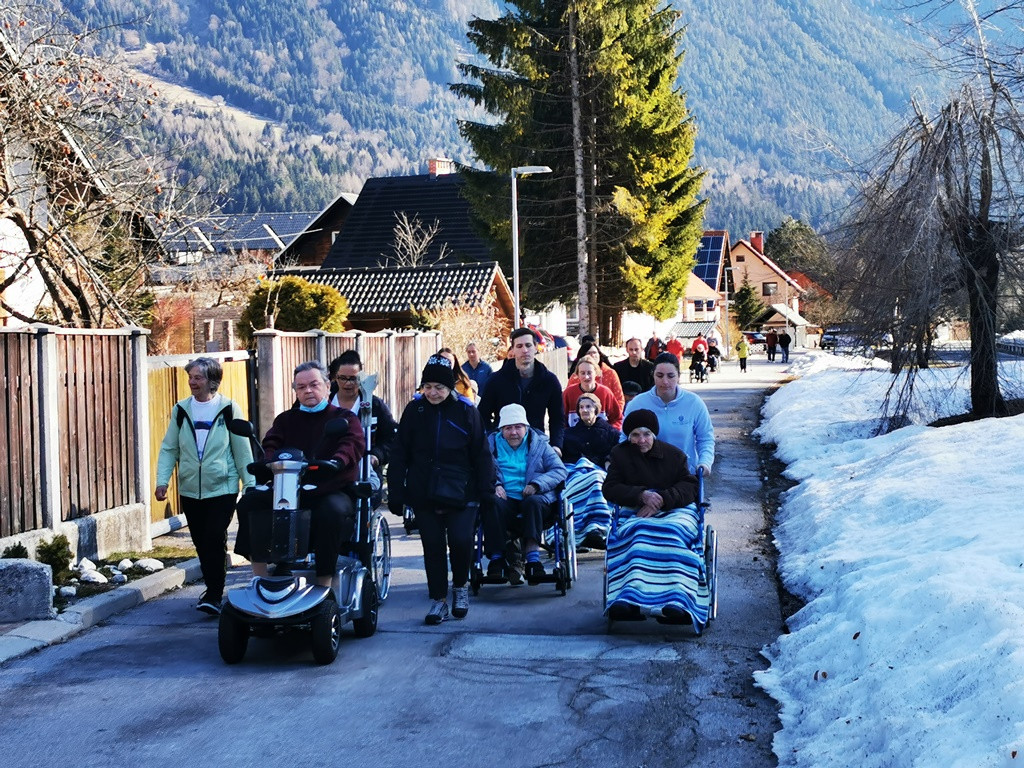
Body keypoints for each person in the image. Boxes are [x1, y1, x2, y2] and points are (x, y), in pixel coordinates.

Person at [235, 361, 365, 589]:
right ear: (295, 391)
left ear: (327, 386)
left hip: (330, 488)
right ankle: (260, 576)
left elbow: (352, 444)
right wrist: (268, 462)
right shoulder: (286, 420)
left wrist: (337, 461)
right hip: (287, 488)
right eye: (301, 387)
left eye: (314, 385)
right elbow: (271, 444)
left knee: (330, 511)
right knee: (250, 503)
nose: (308, 391)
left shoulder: (344, 418)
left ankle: (325, 584)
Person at [389, 354, 492, 624]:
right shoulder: (415, 411)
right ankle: (438, 599)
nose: (433, 392)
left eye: (440, 387)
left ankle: (460, 586)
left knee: (460, 541)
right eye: (428, 387)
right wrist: (396, 491)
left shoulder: (467, 412)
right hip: (424, 489)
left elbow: (481, 453)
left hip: (461, 489)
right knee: (432, 546)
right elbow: (400, 453)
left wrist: (486, 490)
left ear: (450, 388)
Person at [156, 357, 254, 616]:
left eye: (197, 378)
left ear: (212, 381)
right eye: (190, 377)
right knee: (201, 542)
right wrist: (162, 481)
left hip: (223, 486)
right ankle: (212, 590)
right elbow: (169, 448)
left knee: (214, 536)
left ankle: (213, 593)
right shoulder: (181, 410)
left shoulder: (229, 409)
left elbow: (242, 451)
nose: (192, 382)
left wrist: (250, 484)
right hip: (190, 487)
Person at [602, 409, 710, 632]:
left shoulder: (675, 456)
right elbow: (610, 488)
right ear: (628, 437)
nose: (641, 440)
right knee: (639, 534)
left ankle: (678, 600)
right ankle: (628, 598)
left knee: (672, 532)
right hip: (635, 509)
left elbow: (690, 487)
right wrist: (642, 496)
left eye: (646, 434)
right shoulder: (620, 455)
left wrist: (661, 499)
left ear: (654, 434)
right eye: (635, 435)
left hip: (675, 509)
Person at [482, 404, 567, 585]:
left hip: (535, 499)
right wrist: (494, 485)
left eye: (518, 427)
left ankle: (533, 560)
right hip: (505, 499)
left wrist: (537, 484)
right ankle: (497, 559)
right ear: (501, 429)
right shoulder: (489, 446)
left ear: (526, 428)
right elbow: (480, 470)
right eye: (508, 428)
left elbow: (559, 470)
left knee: (532, 503)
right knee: (491, 502)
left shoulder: (540, 444)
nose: (513, 432)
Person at [622, 352, 714, 478]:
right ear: (653, 376)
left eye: (671, 376)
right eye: (659, 376)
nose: (665, 381)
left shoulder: (694, 403)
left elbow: (705, 438)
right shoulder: (637, 403)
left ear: (678, 376)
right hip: (646, 474)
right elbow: (624, 438)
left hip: (684, 474)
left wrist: (705, 462)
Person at [478, 327, 565, 453]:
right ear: (512, 350)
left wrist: (556, 446)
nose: (525, 350)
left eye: (528, 345)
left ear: (536, 347)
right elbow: (482, 414)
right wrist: (492, 437)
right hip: (503, 444)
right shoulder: (496, 380)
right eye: (519, 346)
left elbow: (557, 418)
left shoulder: (550, 381)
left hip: (536, 443)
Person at [328, 349, 398, 485]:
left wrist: (376, 456)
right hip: (329, 467)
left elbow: (392, 438)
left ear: (362, 378)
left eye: (354, 379)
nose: (348, 383)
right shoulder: (324, 401)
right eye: (343, 378)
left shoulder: (374, 404)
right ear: (335, 377)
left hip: (365, 470)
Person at [561, 393, 621, 549]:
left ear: (597, 409)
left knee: (596, 479)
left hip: (600, 473)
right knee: (586, 481)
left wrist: (608, 462)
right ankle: (581, 530)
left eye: (588, 406)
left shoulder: (612, 433)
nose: (584, 410)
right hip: (575, 474)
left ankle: (597, 527)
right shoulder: (568, 434)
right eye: (581, 407)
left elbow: (617, 453)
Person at [563, 358, 622, 429]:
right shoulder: (568, 393)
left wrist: (609, 434)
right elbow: (559, 418)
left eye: (589, 373)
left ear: (596, 373)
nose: (586, 377)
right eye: (582, 373)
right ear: (577, 374)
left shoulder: (605, 393)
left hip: (600, 436)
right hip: (575, 437)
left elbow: (617, 419)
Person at [567, 341, 625, 413]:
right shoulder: (575, 377)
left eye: (594, 352)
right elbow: (567, 401)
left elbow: (619, 399)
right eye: (588, 353)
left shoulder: (610, 373)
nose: (592, 356)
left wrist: (614, 418)